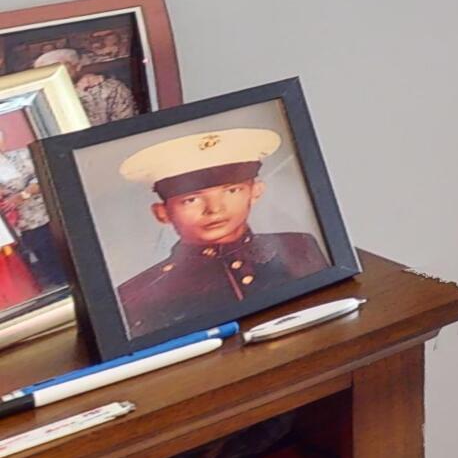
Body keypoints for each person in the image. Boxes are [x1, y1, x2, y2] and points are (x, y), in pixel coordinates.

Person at [111, 128, 328, 339]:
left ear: (255, 192)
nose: (215, 209)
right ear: (162, 213)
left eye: (232, 190)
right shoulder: (137, 294)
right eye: (191, 199)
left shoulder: (298, 246)